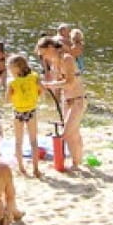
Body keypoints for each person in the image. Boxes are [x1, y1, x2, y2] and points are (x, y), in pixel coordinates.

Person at [44, 41, 86, 171]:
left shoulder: (67, 58)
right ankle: (77, 163)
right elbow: (58, 84)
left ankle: (62, 162)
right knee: (74, 134)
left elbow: (69, 82)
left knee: (66, 133)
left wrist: (49, 85)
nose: (43, 57)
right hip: (66, 100)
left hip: (78, 99)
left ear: (50, 48)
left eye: (43, 53)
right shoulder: (54, 63)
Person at [6, 55, 43, 177]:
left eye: (10, 67)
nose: (8, 69)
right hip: (31, 111)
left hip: (18, 112)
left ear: (17, 68)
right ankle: (36, 169)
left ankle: (21, 168)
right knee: (33, 141)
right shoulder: (34, 77)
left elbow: (7, 100)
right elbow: (41, 90)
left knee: (18, 141)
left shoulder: (12, 82)